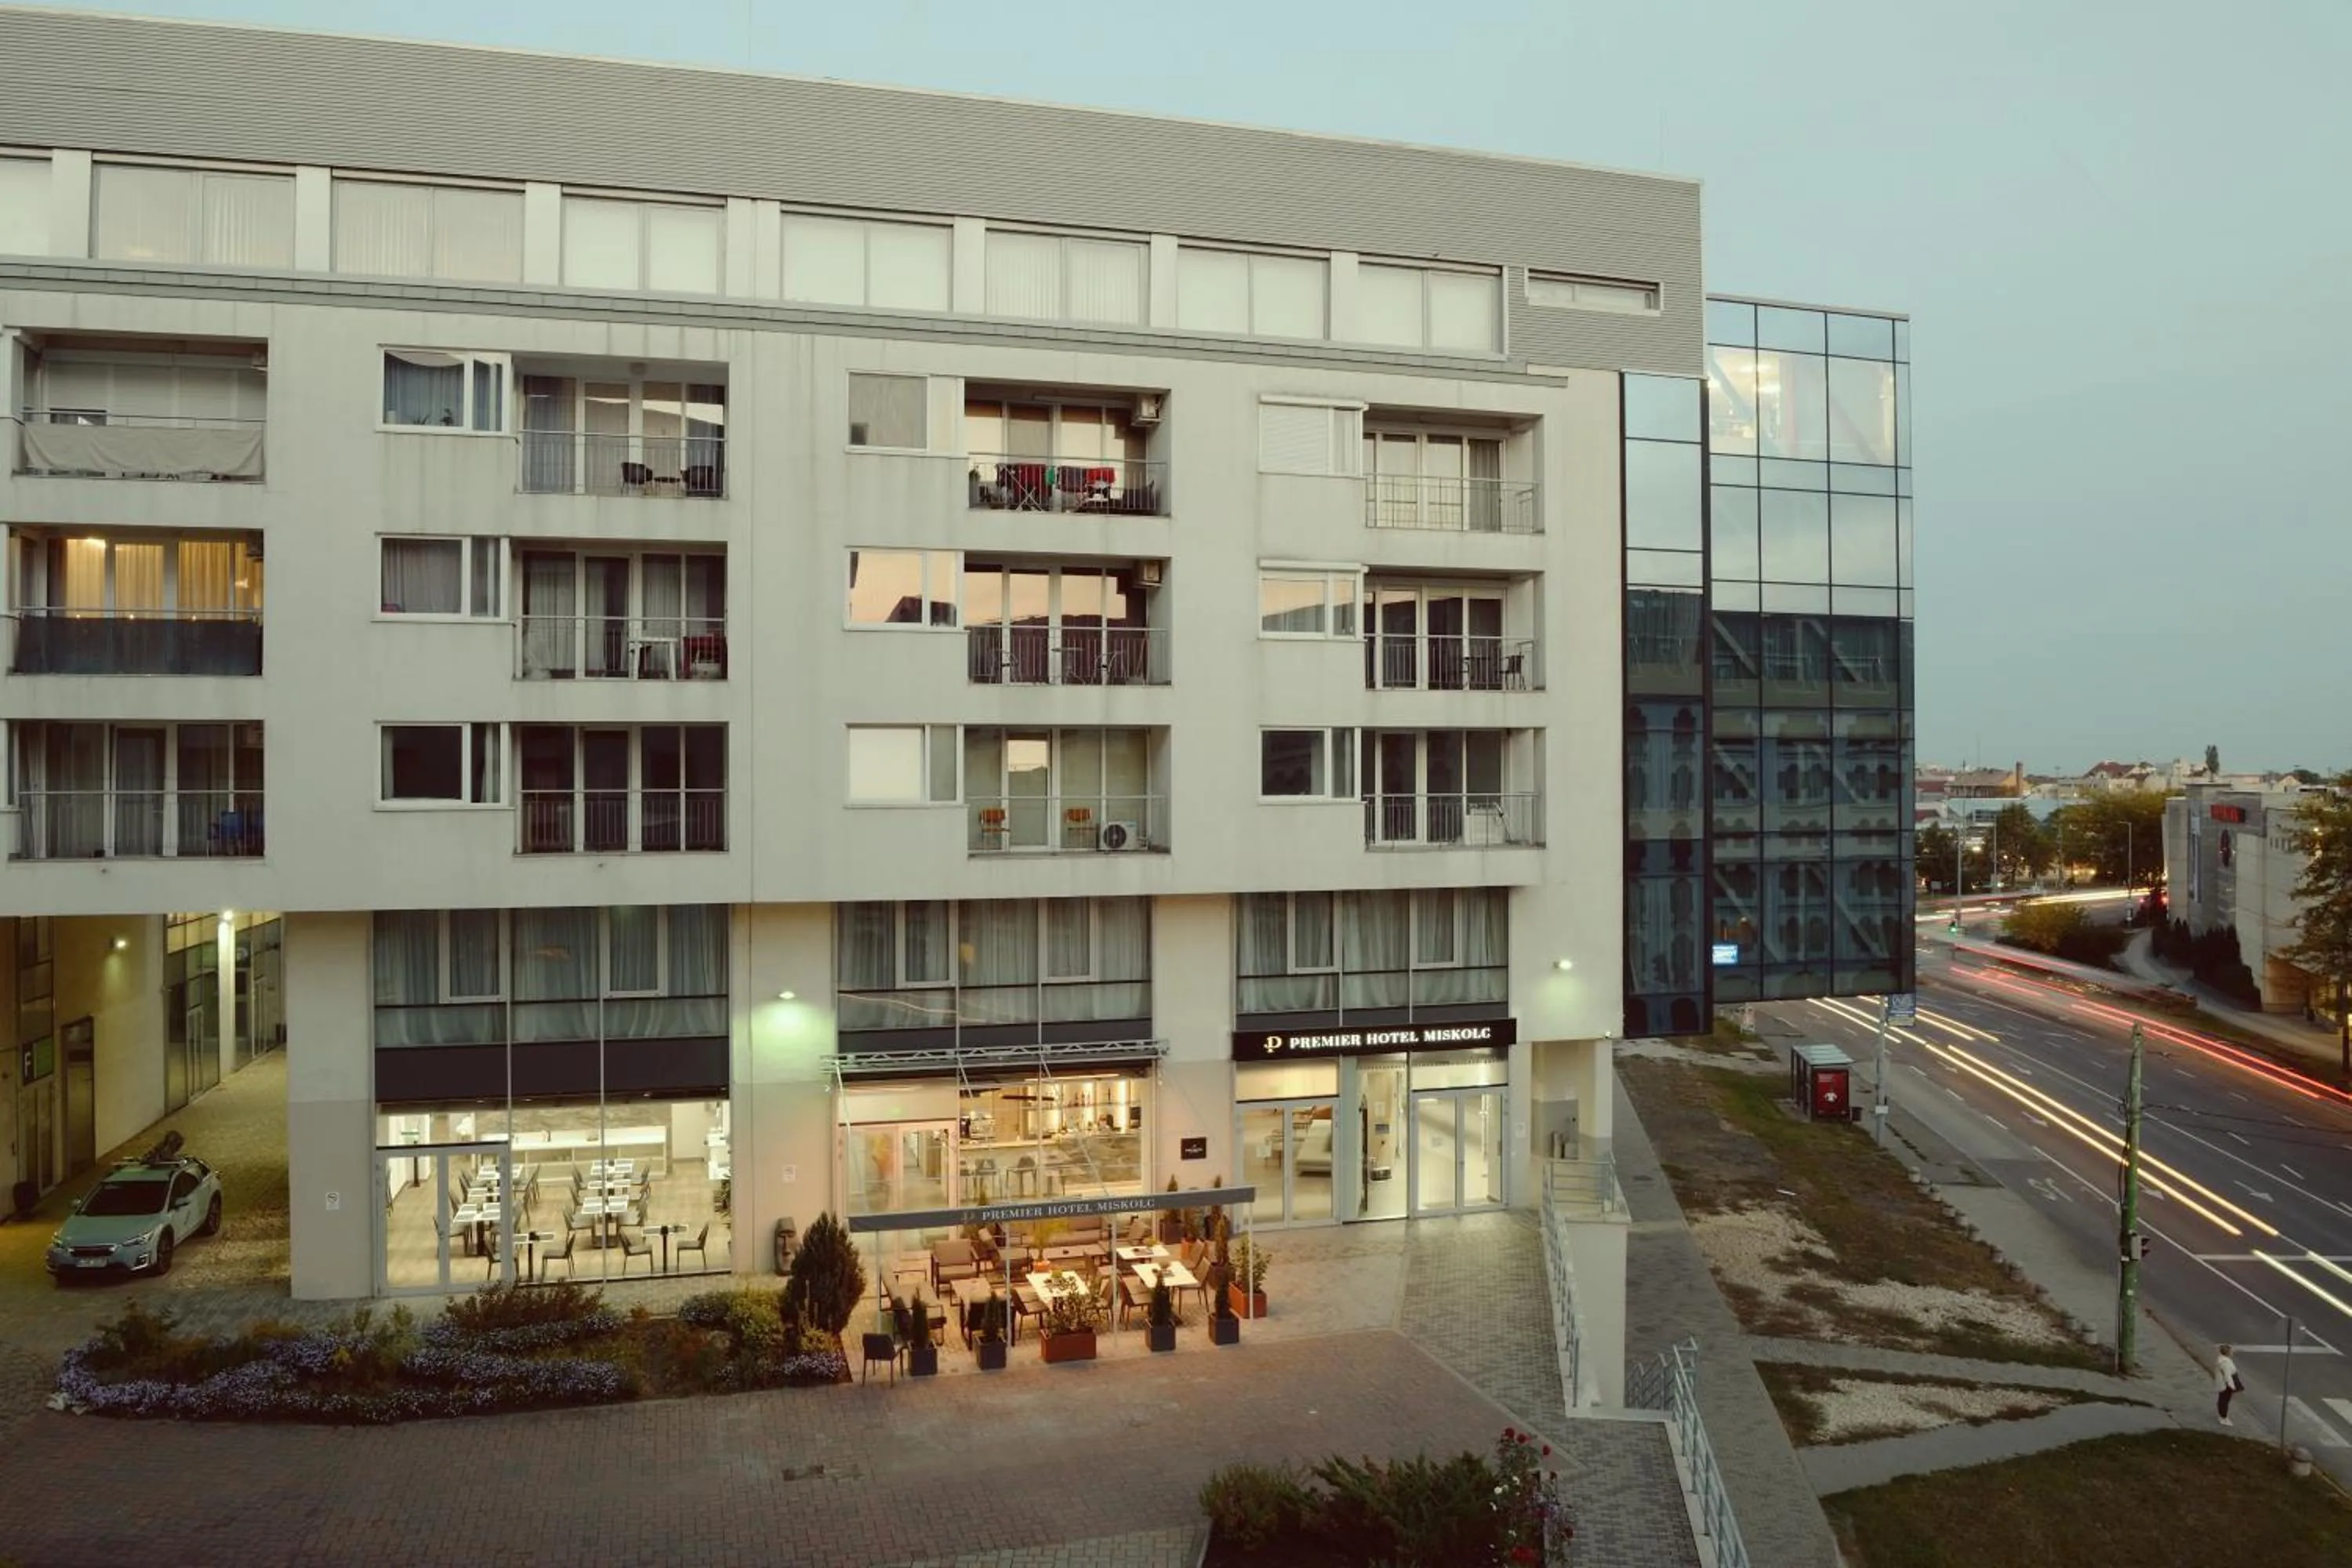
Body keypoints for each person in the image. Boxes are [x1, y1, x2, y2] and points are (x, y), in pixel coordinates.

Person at [2216, 1344, 2243, 1426]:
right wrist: (2232, 1386)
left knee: (2223, 1400)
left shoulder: (2223, 1360)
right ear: (2227, 1353)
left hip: (2224, 1384)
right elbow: (2227, 1376)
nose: (2232, 1353)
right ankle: (2223, 1418)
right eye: (2231, 1351)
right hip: (2226, 1385)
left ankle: (2222, 1416)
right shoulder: (2225, 1362)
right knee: (2224, 1401)